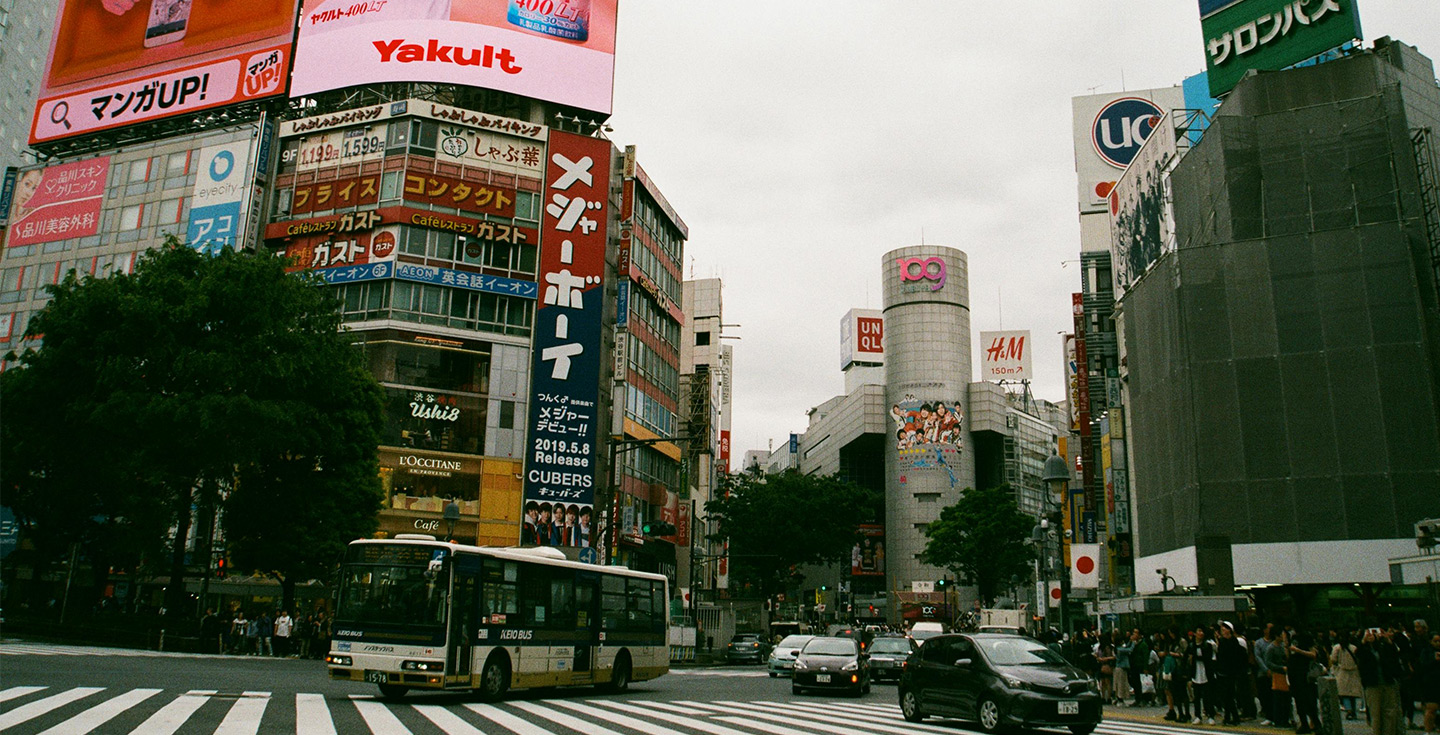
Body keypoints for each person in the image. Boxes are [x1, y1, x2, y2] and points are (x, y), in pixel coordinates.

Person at [1358, 627, 1407, 735]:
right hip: (1372, 685)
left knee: (1390, 713)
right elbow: (1360, 659)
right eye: (1369, 634)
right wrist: (1363, 642)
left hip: (1388, 682)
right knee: (1376, 714)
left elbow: (1394, 658)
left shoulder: (1384, 647)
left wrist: (1388, 642)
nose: (1372, 636)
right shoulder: (1363, 649)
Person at [1289, 630, 1323, 734]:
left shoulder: (1306, 636)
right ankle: (1304, 723)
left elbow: (1313, 654)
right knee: (1298, 700)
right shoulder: (1293, 637)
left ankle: (1316, 723)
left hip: (1305, 673)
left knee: (1308, 700)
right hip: (1294, 672)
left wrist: (1298, 650)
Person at [1216, 621, 1249, 726]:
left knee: (1229, 695)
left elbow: (1234, 657)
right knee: (1226, 696)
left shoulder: (1233, 641)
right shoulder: (1222, 641)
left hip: (1230, 672)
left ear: (1229, 629)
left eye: (1225, 628)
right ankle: (1231, 717)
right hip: (1222, 672)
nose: (1223, 630)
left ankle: (1231, 717)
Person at [1335, 631, 1365, 721]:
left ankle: (1348, 710)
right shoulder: (1353, 648)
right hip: (1354, 672)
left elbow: (1333, 659)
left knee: (1344, 693)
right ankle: (1353, 711)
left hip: (1342, 671)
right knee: (1352, 693)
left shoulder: (1337, 648)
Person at [1191, 625, 1218, 724]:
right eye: (1198, 631)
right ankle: (1197, 716)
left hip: (1206, 672)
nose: (1201, 633)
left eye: (1202, 631)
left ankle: (1211, 715)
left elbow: (1209, 659)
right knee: (1197, 696)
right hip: (1196, 672)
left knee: (1208, 695)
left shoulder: (1208, 645)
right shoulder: (1192, 645)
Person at [1420, 632, 1440, 735]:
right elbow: (1423, 666)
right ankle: (1427, 731)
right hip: (1431, 684)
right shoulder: (1426, 651)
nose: (1437, 643)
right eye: (1435, 641)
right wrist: (1434, 659)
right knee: (1431, 709)